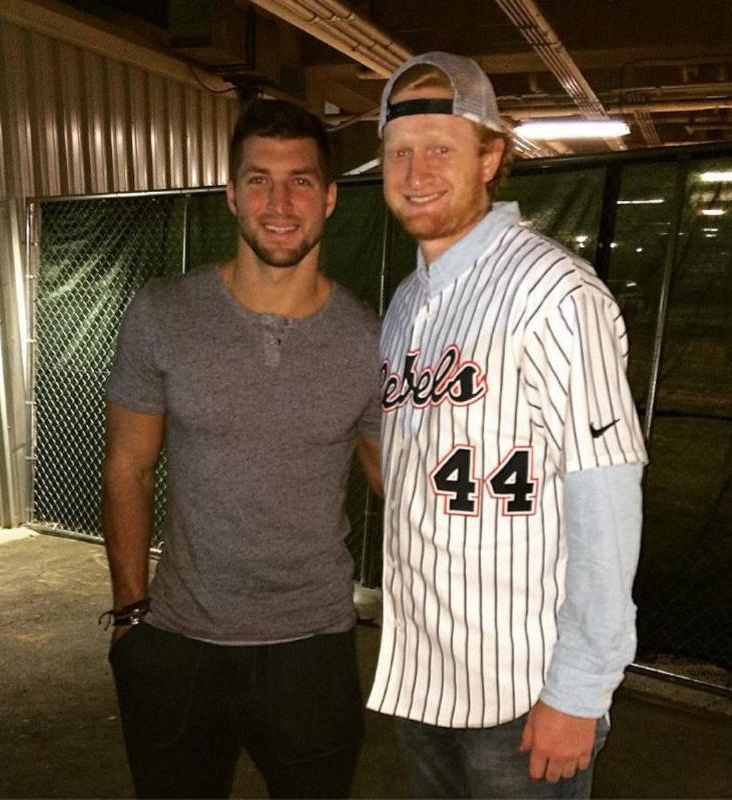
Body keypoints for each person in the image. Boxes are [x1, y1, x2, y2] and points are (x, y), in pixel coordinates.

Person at [367, 52, 647, 799]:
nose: (416, 171)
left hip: (522, 693)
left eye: (440, 149)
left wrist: (581, 688)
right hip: (423, 677)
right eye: (400, 152)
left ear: (490, 156)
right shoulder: (405, 305)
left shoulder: (553, 292)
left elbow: (606, 496)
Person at [101, 98, 382, 800]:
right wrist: (132, 619)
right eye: (258, 180)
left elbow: (399, 483)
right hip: (178, 640)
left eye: (300, 181)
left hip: (313, 646)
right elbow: (127, 467)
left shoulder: (371, 339)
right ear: (231, 193)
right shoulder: (162, 313)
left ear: (330, 199)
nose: (279, 202)